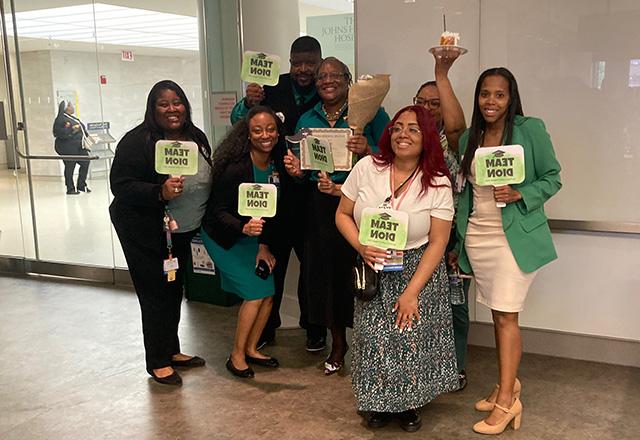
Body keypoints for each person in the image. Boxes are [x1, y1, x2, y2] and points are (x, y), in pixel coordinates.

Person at [450, 67, 561, 434]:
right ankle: (508, 383)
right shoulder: (470, 137)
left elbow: (552, 177)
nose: (491, 101)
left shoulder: (530, 130)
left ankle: (508, 403)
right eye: (485, 94)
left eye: (499, 94)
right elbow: (466, 192)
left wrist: (520, 193)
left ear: (511, 97)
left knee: (507, 317)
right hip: (479, 236)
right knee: (499, 316)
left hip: (514, 238)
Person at [335, 105, 459, 432]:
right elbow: (342, 215)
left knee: (408, 339)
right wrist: (362, 246)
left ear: (427, 138)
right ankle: (376, 402)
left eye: (414, 129)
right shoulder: (366, 168)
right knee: (374, 337)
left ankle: (408, 405)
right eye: (398, 127)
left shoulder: (438, 182)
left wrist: (412, 292)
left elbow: (438, 241)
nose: (403, 134)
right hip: (373, 263)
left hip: (417, 267)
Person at [290, 56, 390, 375]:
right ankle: (337, 343)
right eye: (321, 76)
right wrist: (298, 170)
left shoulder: (370, 111)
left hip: (362, 205)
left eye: (335, 75)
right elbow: (299, 165)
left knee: (363, 275)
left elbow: (394, 154)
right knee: (328, 278)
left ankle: (370, 343)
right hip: (321, 206)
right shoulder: (307, 117)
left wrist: (367, 147)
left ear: (347, 79)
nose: (327, 80)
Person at [109, 80, 212, 386]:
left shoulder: (195, 137)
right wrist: (160, 191)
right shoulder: (136, 141)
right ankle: (157, 360)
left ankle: (171, 349)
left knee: (173, 287)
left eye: (177, 102)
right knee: (155, 293)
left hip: (179, 230)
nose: (172, 109)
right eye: (163, 104)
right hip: (143, 230)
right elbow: (121, 185)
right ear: (152, 109)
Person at [231, 36, 326, 351]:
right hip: (273, 191)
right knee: (273, 261)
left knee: (312, 266)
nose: (302, 69)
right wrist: (248, 102)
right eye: (296, 62)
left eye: (309, 63)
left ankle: (314, 327)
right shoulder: (270, 87)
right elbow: (238, 122)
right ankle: (265, 327)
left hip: (312, 195)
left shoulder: (328, 88)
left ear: (320, 62)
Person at [201, 106, 289, 379]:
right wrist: (242, 227)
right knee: (255, 293)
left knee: (268, 292)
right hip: (225, 236)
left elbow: (273, 211)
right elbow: (216, 212)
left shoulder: (277, 161)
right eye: (258, 130)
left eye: (271, 129)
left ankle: (252, 348)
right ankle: (236, 356)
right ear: (247, 134)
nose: (266, 135)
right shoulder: (236, 166)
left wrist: (263, 245)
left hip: (253, 238)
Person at [414, 49, 470, 389]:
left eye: (435, 102)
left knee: (454, 306)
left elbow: (457, 126)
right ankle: (423, 369)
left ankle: (456, 367)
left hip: (450, 239)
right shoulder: (405, 141)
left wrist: (442, 74)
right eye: (421, 101)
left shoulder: (456, 144)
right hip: (413, 239)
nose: (426, 107)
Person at [53, 100, 91, 195]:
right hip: (67, 147)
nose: (73, 107)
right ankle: (70, 188)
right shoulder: (60, 119)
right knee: (70, 166)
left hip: (79, 146)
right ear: (66, 108)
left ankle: (81, 185)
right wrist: (72, 129)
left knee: (85, 161)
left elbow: (82, 129)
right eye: (71, 105)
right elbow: (57, 133)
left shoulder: (72, 118)